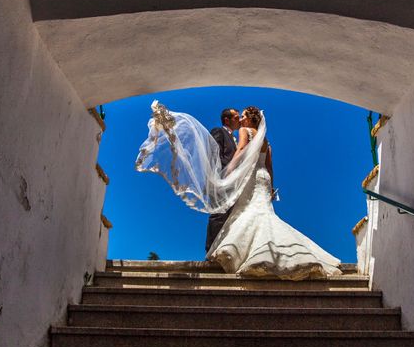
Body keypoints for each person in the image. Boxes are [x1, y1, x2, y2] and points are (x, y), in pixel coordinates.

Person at [136, 102, 342, 280]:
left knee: (246, 213)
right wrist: (270, 187)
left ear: (250, 120)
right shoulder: (266, 141)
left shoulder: (245, 132)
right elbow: (269, 167)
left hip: (249, 178)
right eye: (238, 116)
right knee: (261, 213)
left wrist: (229, 171)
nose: (241, 119)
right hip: (263, 179)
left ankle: (239, 254)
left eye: (243, 116)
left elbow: (241, 150)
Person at [205, 108, 240, 254]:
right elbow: (212, 154)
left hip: (233, 182)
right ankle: (211, 251)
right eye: (236, 117)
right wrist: (217, 178)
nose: (239, 121)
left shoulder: (236, 139)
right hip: (221, 179)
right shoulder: (219, 131)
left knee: (230, 216)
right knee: (218, 215)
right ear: (227, 120)